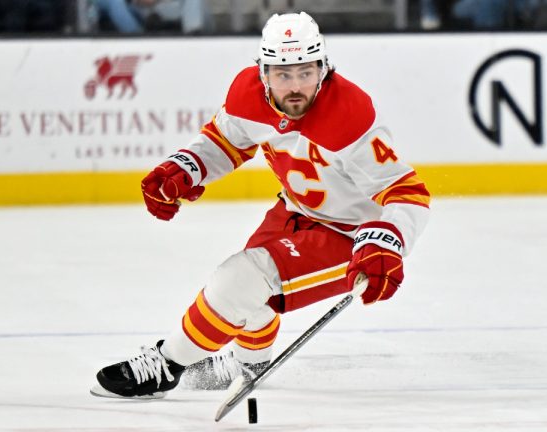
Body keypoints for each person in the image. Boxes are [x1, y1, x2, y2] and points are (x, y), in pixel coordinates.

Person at [91, 11, 431, 399]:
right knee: (250, 297)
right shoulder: (247, 94)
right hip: (295, 211)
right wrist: (186, 168)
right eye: (284, 75)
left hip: (350, 236)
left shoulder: (350, 113)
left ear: (323, 68)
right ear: (263, 72)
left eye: (306, 72)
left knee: (241, 279)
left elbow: (408, 192)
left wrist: (386, 242)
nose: (296, 87)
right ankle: (249, 363)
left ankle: (166, 365)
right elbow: (225, 141)